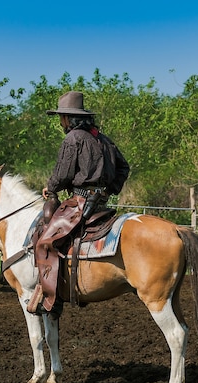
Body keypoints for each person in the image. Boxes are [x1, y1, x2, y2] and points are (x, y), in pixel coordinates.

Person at [27, 91, 130, 317]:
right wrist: (110, 189)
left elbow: (63, 173)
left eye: (61, 117)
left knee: (45, 241)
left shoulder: (73, 138)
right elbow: (124, 167)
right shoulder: (103, 139)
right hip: (102, 204)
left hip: (81, 203)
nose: (60, 122)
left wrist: (51, 187)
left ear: (67, 118)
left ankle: (51, 298)